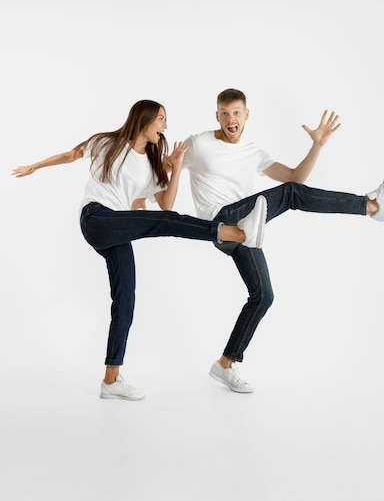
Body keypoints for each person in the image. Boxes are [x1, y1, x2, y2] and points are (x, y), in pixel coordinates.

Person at [11, 99, 267, 401]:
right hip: (96, 218)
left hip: (119, 228)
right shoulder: (106, 143)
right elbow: (70, 154)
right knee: (161, 223)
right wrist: (34, 166)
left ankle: (111, 380)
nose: (166, 126)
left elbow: (167, 206)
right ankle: (236, 232)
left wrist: (175, 169)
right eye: (161, 119)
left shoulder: (151, 166)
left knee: (125, 301)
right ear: (143, 119)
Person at [180, 88, 384, 393]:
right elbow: (164, 168)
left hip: (245, 229)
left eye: (237, 113)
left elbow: (295, 177)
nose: (231, 119)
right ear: (217, 116)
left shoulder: (254, 152)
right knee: (291, 196)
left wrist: (317, 146)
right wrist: (143, 191)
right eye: (225, 113)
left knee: (263, 296)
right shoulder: (198, 143)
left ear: (246, 115)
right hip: (220, 222)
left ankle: (225, 363)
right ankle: (370, 206)